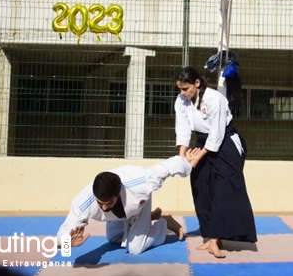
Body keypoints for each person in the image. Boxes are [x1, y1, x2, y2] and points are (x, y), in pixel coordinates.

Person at [174, 66, 257, 258]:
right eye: (180, 89)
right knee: (200, 187)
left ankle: (214, 240)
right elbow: (183, 127)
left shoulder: (214, 98)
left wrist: (199, 156)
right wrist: (182, 156)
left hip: (226, 143)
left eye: (185, 88)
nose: (182, 93)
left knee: (223, 190)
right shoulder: (181, 101)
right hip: (202, 142)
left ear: (197, 83)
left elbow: (217, 133)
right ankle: (210, 235)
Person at [56, 155, 196, 255]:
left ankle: (164, 223)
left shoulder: (142, 182)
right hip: (117, 215)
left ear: (118, 193)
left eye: (108, 203)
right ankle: (151, 217)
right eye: (100, 203)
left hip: (138, 206)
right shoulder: (83, 202)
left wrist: (188, 164)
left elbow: (168, 166)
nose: (104, 207)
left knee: (134, 248)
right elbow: (65, 229)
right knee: (114, 239)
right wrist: (67, 243)